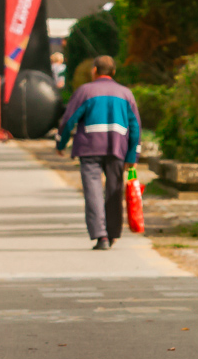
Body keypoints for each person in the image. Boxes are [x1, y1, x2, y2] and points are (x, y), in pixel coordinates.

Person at [55, 55, 141, 250]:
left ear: (94, 70)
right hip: (117, 148)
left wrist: (61, 143)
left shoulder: (85, 91)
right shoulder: (125, 94)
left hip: (89, 148)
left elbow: (69, 120)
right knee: (114, 191)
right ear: (114, 72)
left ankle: (100, 235)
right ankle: (113, 234)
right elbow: (135, 126)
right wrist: (132, 156)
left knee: (92, 191)